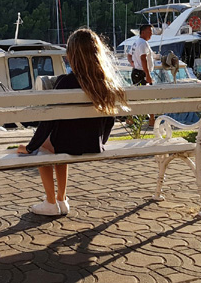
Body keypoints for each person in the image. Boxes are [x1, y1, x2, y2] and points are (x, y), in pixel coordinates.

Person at [16, 28, 128, 216]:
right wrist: (102, 141)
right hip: (93, 143)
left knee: (43, 150)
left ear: (71, 56)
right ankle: (62, 199)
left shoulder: (65, 83)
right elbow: (110, 119)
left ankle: (51, 202)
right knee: (59, 146)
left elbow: (48, 121)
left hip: (68, 143)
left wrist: (30, 147)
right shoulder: (104, 83)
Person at [127, 24, 155, 126]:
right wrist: (147, 74)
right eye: (149, 31)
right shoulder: (143, 43)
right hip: (141, 73)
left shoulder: (136, 42)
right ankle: (151, 119)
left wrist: (132, 63)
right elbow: (143, 58)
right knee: (149, 96)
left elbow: (129, 55)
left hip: (136, 71)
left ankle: (130, 118)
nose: (151, 34)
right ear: (143, 32)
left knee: (137, 96)